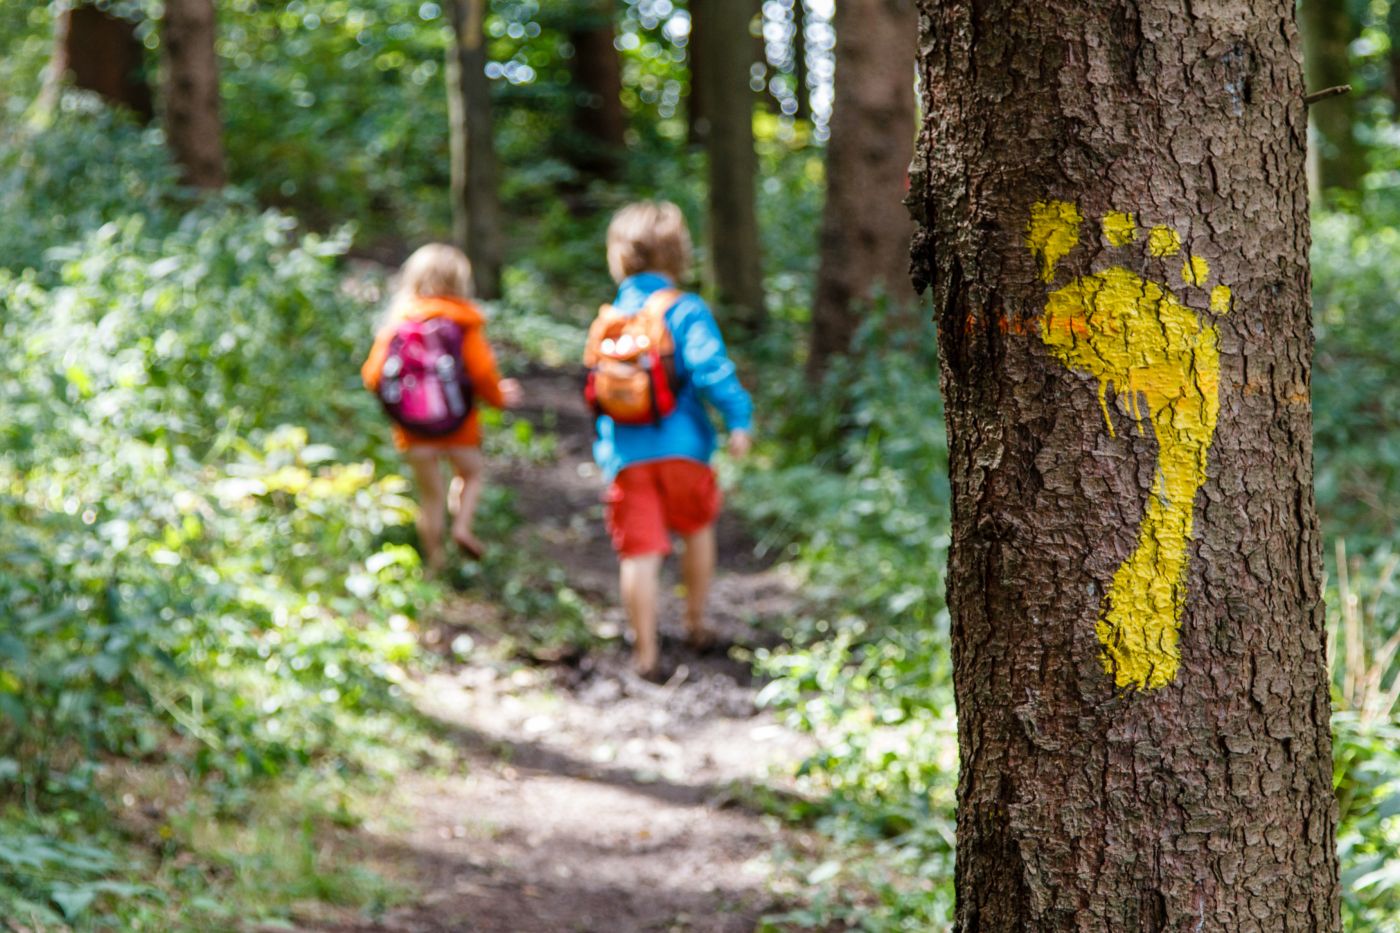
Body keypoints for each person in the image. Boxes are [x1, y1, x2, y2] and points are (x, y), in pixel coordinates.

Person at [584, 201, 754, 678]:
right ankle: (696, 625)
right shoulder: (685, 309)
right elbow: (710, 368)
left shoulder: (611, 318)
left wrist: (607, 452)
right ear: (679, 254)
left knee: (639, 553)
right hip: (687, 449)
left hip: (627, 455)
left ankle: (646, 655)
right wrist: (739, 418)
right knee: (696, 531)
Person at [362, 244, 521, 574]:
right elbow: (481, 373)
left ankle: (434, 563)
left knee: (430, 498)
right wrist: (500, 398)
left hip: (413, 432)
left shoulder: (398, 322)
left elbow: (372, 375)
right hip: (460, 428)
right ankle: (462, 526)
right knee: (471, 474)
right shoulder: (464, 322)